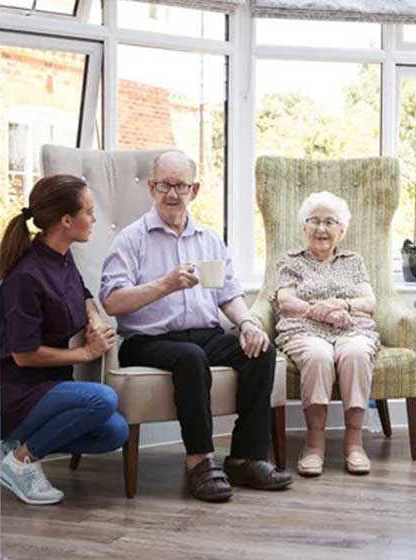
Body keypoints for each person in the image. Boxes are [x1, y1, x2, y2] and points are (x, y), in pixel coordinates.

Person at [100, 150, 292, 502]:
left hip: (205, 335)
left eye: (180, 185)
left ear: (195, 189)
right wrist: (165, 285)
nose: (172, 193)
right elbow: (112, 301)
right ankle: (200, 461)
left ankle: (245, 457)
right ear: (151, 187)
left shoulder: (208, 239)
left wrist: (248, 323)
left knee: (260, 348)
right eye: (163, 185)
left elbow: (229, 294)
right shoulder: (131, 239)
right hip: (147, 340)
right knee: (189, 357)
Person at [0, 174, 128, 505]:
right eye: (88, 210)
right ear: (66, 220)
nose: (94, 218)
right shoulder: (25, 277)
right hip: (17, 393)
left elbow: (83, 293)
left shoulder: (61, 256)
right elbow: (23, 356)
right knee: (103, 399)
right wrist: (87, 352)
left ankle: (17, 447)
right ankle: (19, 462)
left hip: (52, 388)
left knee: (115, 431)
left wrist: (96, 320)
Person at [274, 192, 378, 477]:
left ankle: (355, 444)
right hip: (303, 329)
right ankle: (314, 445)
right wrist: (318, 312)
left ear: (341, 230)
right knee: (319, 355)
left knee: (356, 353)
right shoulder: (290, 261)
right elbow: (285, 301)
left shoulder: (354, 262)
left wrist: (342, 305)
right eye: (314, 221)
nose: (321, 229)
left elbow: (370, 304)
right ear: (303, 227)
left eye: (330, 222)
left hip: (350, 327)